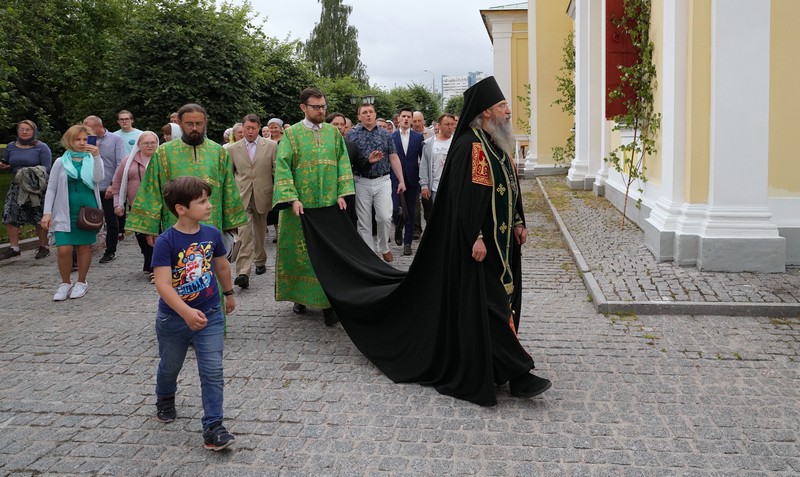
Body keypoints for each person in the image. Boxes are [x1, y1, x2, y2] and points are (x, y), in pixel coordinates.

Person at [298, 76, 552, 406]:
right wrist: (476, 236)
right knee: (488, 306)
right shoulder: (471, 146)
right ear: (486, 111)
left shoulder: (495, 143)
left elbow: (509, 185)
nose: (508, 111)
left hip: (502, 242)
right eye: (502, 106)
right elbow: (466, 199)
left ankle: (502, 366)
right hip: (478, 245)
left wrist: (518, 220)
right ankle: (517, 374)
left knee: (497, 303)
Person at [150, 176, 236, 451]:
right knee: (170, 365)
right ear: (181, 209)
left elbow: (221, 266)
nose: (209, 205)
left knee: (212, 370)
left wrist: (228, 292)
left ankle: (213, 426)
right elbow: (163, 284)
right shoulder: (166, 241)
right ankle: (165, 396)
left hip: (210, 313)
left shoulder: (212, 234)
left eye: (208, 200)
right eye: (202, 201)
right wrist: (186, 312)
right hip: (174, 319)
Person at [272, 88, 355, 326]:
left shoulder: (333, 133)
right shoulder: (292, 134)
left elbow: (342, 162)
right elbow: (283, 166)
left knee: (328, 254)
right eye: (316, 107)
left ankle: (329, 303)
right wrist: (292, 198)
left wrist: (342, 192)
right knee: (301, 253)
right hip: (301, 208)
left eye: (323, 106)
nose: (321, 111)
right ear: (303, 107)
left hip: (328, 206)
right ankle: (300, 296)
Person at [126, 103, 247, 247]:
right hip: (175, 223)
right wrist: (150, 228)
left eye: (199, 124)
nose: (194, 128)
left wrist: (231, 224)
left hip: (212, 223)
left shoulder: (218, 152)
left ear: (205, 123)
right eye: (189, 124)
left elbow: (229, 189)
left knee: (212, 260)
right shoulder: (163, 152)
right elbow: (151, 189)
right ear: (180, 123)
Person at [40, 124, 104, 301]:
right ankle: (65, 282)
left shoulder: (92, 158)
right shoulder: (61, 162)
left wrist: (96, 156)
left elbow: (99, 178)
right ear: (70, 140)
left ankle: (81, 282)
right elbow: (51, 188)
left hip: (88, 211)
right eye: (78, 139)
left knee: (83, 247)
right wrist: (47, 212)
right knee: (64, 249)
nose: (82, 143)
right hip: (64, 211)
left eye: (85, 139)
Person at [346, 103, 405, 262]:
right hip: (361, 181)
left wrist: (401, 180)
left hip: (383, 180)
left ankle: (384, 246)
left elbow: (393, 157)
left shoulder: (385, 134)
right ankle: (369, 254)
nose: (368, 115)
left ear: (375, 114)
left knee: (385, 217)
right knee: (364, 221)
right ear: (359, 116)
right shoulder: (352, 135)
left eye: (371, 111)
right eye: (364, 112)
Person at [229, 114, 277, 289]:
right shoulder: (233, 149)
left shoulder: (271, 146)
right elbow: (230, 174)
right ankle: (243, 272)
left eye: (253, 128)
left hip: (263, 195)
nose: (250, 131)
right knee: (244, 234)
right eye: (247, 128)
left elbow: (276, 171)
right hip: (242, 197)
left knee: (260, 231)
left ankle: (260, 260)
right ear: (242, 128)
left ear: (259, 128)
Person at [0, 120, 52, 260]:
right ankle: (14, 247)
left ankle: (43, 246)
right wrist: (4, 166)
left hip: (36, 187)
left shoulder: (41, 147)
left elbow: (47, 168)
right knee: (10, 214)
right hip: (17, 186)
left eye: (27, 129)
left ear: (33, 131)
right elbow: (7, 163)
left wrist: (29, 171)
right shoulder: (11, 146)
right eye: (21, 129)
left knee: (38, 216)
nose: (24, 132)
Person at [112, 131, 159, 282]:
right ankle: (149, 262)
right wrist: (118, 203)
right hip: (136, 207)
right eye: (146, 143)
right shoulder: (129, 161)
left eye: (153, 142)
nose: (150, 145)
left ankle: (155, 269)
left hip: (157, 207)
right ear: (139, 144)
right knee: (142, 238)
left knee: (155, 237)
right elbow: (117, 182)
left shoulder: (161, 159)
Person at [83, 115, 126, 264]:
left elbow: (120, 163)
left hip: (108, 185)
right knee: (86, 218)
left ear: (99, 126)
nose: (86, 131)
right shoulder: (86, 140)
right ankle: (84, 249)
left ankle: (110, 250)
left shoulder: (115, 140)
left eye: (89, 128)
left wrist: (113, 184)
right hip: (90, 186)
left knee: (110, 219)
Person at [391, 107, 425, 256]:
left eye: (408, 117)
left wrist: (423, 180)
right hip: (394, 178)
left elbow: (422, 159)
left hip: (412, 178)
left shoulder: (418, 138)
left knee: (411, 211)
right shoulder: (391, 137)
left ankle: (407, 243)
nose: (406, 119)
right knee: (394, 209)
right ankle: (398, 227)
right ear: (398, 119)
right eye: (403, 116)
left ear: (411, 120)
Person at [419, 113, 457, 204]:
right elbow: (424, 165)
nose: (450, 127)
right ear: (439, 126)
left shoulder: (457, 142)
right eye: (447, 124)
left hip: (454, 186)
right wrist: (424, 185)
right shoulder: (429, 144)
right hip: (436, 187)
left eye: (452, 124)